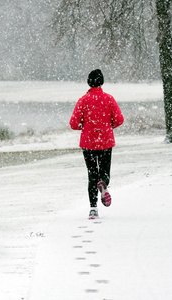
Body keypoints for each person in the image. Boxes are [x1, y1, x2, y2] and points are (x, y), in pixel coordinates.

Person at [70, 69, 124, 219]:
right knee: (104, 171)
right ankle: (103, 183)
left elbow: (73, 123)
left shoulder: (83, 100)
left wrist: (85, 126)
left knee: (92, 174)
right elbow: (119, 119)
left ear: (89, 82)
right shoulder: (109, 99)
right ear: (102, 82)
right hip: (106, 140)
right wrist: (108, 126)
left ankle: (93, 209)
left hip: (88, 142)